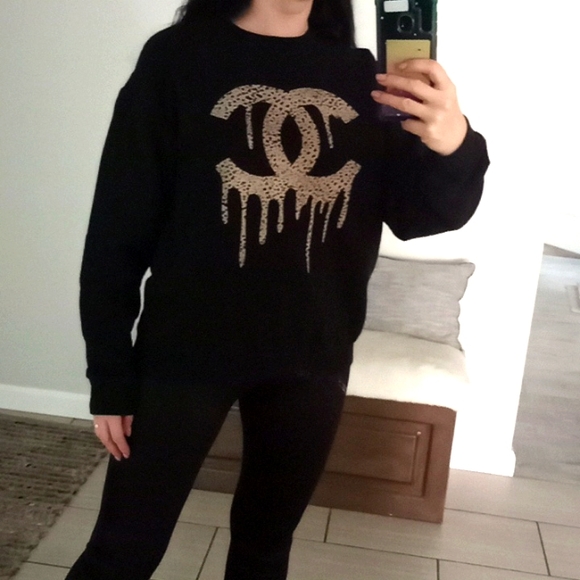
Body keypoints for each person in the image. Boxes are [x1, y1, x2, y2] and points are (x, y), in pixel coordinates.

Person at [67, 0, 489, 578]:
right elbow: (118, 228)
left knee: (265, 549)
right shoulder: (177, 59)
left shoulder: (364, 77)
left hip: (311, 360)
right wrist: (110, 373)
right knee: (121, 551)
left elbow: (421, 216)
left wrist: (455, 141)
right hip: (183, 353)